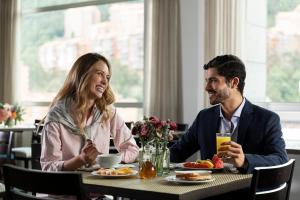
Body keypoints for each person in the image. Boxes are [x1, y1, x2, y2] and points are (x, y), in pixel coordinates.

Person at [170, 54, 288, 173]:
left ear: (234, 82)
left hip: (246, 190)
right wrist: (153, 154)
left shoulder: (267, 119)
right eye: (207, 81)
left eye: (214, 80)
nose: (206, 87)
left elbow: (280, 159)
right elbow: (177, 152)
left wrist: (245, 161)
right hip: (209, 190)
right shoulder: (204, 117)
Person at [40, 52, 139, 171]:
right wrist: (80, 160)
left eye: (107, 77)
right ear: (82, 75)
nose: (105, 82)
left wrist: (107, 160)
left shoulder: (108, 113)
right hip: (67, 187)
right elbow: (48, 167)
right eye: (100, 74)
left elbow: (132, 149)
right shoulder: (56, 116)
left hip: (100, 186)